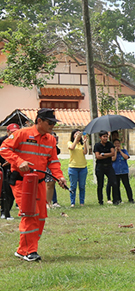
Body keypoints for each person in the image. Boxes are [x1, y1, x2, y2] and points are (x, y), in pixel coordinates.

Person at [0, 108, 67, 261]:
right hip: (22, 182)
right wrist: (19, 161)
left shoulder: (50, 139)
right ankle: (31, 251)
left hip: (40, 183)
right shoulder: (21, 134)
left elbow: (54, 162)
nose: (52, 126)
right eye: (50, 123)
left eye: (54, 123)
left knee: (41, 217)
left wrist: (60, 177)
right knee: (30, 215)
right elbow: (4, 148)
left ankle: (22, 250)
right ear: (39, 121)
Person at [0, 124, 20, 220]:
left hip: (14, 169)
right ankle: (3, 212)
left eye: (16, 132)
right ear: (8, 132)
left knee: (11, 191)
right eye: (12, 132)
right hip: (2, 169)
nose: (14, 134)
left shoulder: (21, 142)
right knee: (4, 190)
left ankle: (7, 212)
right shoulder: (2, 141)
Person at [93, 130, 117, 205]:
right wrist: (107, 154)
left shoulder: (110, 144)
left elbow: (113, 153)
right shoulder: (97, 145)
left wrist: (103, 154)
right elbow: (97, 156)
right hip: (100, 166)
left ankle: (115, 200)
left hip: (109, 166)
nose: (105, 138)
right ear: (100, 137)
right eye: (104, 137)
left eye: (107, 136)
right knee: (100, 184)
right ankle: (100, 201)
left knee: (114, 182)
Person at [67, 129, 89, 208]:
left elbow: (85, 152)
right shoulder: (70, 143)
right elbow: (72, 147)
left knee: (82, 186)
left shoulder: (81, 144)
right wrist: (76, 138)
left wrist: (85, 142)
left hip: (83, 167)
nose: (78, 136)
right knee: (73, 186)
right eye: (76, 134)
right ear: (73, 135)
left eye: (79, 134)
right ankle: (72, 202)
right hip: (73, 167)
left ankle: (81, 202)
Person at [111, 137, 134, 204]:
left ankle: (130, 199)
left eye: (118, 144)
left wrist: (120, 151)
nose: (117, 145)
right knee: (116, 186)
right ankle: (118, 199)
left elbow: (126, 157)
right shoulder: (112, 152)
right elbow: (113, 159)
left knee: (127, 185)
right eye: (115, 144)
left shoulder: (124, 151)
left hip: (124, 171)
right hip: (116, 171)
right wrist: (115, 151)